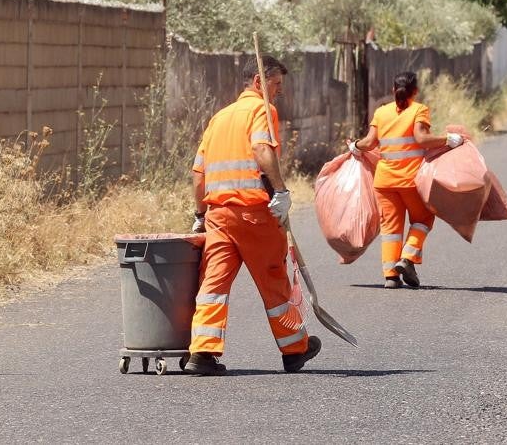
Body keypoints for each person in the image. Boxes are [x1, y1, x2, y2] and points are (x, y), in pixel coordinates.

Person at [184, 55, 321, 376]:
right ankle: (294, 349)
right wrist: (282, 192)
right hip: (254, 214)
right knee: (274, 280)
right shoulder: (262, 110)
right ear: (259, 82)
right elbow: (262, 150)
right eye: (275, 85)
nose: (278, 93)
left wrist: (199, 213)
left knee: (213, 284)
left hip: (218, 216)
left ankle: (202, 353)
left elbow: (198, 173)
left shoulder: (219, 118)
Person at [349, 71, 464, 289]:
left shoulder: (382, 112)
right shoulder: (418, 109)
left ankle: (390, 276)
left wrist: (354, 146)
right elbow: (422, 139)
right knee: (424, 218)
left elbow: (370, 142)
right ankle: (408, 257)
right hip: (410, 181)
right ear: (416, 91)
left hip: (384, 182)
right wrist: (448, 140)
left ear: (393, 90)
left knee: (391, 228)